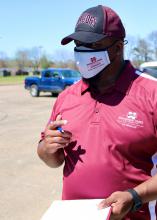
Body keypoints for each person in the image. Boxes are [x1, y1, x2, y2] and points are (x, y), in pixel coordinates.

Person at [37, 5, 157, 220]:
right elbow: (52, 159)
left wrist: (135, 197)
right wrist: (47, 148)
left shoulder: (152, 93)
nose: (83, 52)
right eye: (79, 45)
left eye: (92, 45)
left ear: (118, 47)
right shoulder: (67, 97)